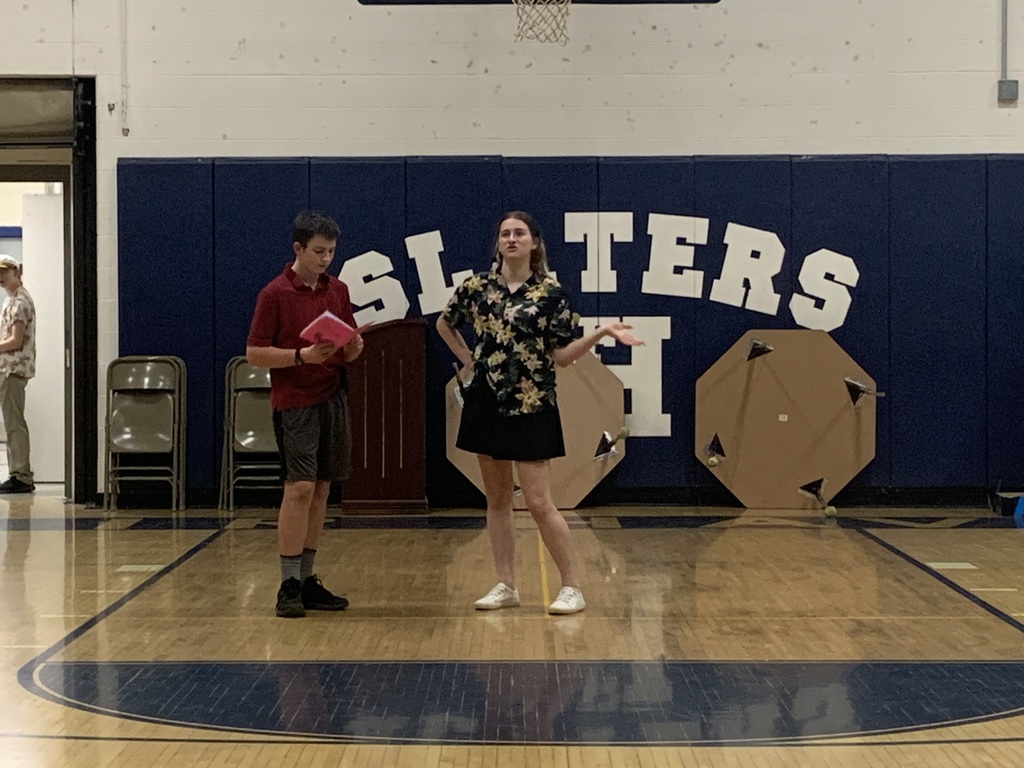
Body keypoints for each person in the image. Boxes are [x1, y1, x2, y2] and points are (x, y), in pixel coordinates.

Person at [436, 211, 643, 615]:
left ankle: (571, 586)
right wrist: (469, 359)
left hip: (532, 404)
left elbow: (562, 356)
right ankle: (505, 584)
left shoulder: (551, 294)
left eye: (519, 233)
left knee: (537, 501)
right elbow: (446, 324)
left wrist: (600, 333)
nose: (511, 239)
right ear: (498, 243)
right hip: (486, 402)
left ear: (534, 242)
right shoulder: (477, 286)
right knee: (497, 499)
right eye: (505, 234)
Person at [246, 212, 364, 618]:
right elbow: (254, 353)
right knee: (299, 488)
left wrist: (353, 348)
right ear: (298, 248)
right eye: (318, 251)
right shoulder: (274, 294)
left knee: (322, 489)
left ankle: (308, 577)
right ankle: (288, 582)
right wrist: (301, 356)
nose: (325, 259)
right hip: (295, 400)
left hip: (332, 395)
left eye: (331, 251)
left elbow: (347, 341)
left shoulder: (339, 289)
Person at [0, 254, 37, 495]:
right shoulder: (11, 300)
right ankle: (17, 473)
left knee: (14, 423)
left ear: (17, 272)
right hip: (8, 368)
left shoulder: (20, 302)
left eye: (5, 271)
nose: (1, 277)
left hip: (14, 369)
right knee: (12, 422)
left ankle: (21, 475)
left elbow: (15, 340)